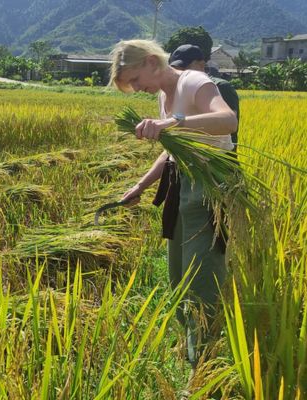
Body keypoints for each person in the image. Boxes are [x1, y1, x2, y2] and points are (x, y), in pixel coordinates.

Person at [108, 40, 237, 371]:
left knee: (203, 281)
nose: (137, 88)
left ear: (152, 61)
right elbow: (171, 151)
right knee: (179, 275)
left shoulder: (192, 82)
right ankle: (192, 348)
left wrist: (173, 121)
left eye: (136, 80)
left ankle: (205, 367)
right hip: (182, 188)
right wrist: (139, 186)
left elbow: (227, 120)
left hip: (209, 190)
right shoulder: (164, 97)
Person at [169, 44, 240, 152]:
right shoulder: (180, 89)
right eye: (175, 69)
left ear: (201, 65)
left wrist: (174, 125)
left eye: (184, 68)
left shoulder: (221, 87)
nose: (180, 74)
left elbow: (227, 125)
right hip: (192, 156)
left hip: (219, 159)